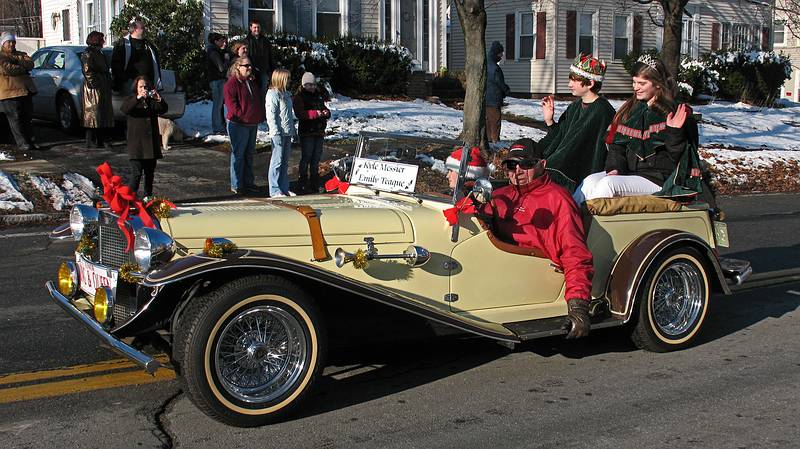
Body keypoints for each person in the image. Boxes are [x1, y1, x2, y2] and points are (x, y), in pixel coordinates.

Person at [478, 139, 594, 339]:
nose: (518, 171)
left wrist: (578, 306)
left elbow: (574, 253)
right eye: (511, 165)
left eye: (527, 164)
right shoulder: (499, 196)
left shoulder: (558, 201)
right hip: (497, 278)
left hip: (533, 283)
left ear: (542, 164)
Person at [574, 54, 704, 204]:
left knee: (607, 185)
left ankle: (593, 225)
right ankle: (569, 223)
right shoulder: (630, 110)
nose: (636, 87)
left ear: (657, 84)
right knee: (589, 182)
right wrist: (615, 168)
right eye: (634, 82)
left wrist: (675, 132)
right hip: (629, 172)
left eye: (642, 83)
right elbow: (617, 146)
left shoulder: (674, 111)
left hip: (659, 179)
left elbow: (680, 158)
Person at [538, 54, 616, 192]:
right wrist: (549, 120)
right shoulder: (575, 106)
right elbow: (561, 137)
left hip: (583, 171)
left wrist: (551, 163)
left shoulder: (601, 111)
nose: (569, 84)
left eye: (574, 81)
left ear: (590, 83)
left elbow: (574, 144)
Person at [121, 75, 168, 199]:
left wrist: (159, 99)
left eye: (145, 86)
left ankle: (148, 196)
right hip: (136, 144)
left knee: (149, 173)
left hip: (150, 144)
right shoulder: (131, 100)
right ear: (136, 88)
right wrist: (138, 98)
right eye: (141, 86)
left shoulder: (151, 101)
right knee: (136, 173)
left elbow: (164, 109)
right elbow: (125, 109)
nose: (143, 89)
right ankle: (130, 198)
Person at [224, 57, 264, 195]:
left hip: (252, 123)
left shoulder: (251, 82)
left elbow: (256, 100)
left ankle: (248, 182)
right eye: (246, 65)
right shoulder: (231, 84)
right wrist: (244, 116)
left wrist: (258, 116)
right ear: (237, 67)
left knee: (249, 154)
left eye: (250, 65)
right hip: (238, 124)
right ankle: (237, 184)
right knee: (238, 154)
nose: (249, 68)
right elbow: (232, 106)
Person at [0, 32, 39, 151]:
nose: (11, 44)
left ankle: (31, 141)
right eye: (8, 42)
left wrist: (16, 62)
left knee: (27, 117)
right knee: (15, 118)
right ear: (3, 43)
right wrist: (22, 67)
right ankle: (22, 143)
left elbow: (30, 63)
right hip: (9, 92)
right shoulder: (1, 56)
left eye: (13, 42)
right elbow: (8, 69)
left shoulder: (21, 54)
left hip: (25, 91)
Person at [292, 72, 330, 194]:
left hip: (318, 131)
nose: (311, 87)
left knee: (316, 158)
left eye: (312, 85)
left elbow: (323, 107)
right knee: (306, 157)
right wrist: (315, 114)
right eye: (308, 85)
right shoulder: (300, 97)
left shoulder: (318, 96)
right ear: (303, 85)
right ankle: (302, 182)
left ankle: (314, 182)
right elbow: (300, 114)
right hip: (307, 131)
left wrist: (326, 112)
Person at [266, 68, 297, 197]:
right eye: (287, 78)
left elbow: (289, 114)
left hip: (287, 131)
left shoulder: (286, 94)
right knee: (276, 161)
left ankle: (284, 187)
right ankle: (274, 189)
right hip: (278, 132)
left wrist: (293, 130)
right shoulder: (273, 94)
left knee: (285, 161)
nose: (289, 81)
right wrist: (275, 132)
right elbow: (271, 115)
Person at [81, 31, 114, 149]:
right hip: (94, 89)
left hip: (102, 85)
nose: (104, 41)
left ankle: (100, 140)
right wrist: (95, 84)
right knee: (93, 115)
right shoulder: (88, 53)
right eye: (102, 39)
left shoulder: (99, 53)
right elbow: (87, 71)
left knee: (102, 114)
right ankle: (91, 141)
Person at [111, 18, 162, 93]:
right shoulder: (123, 44)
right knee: (132, 103)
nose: (145, 30)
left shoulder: (148, 45)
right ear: (135, 29)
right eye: (143, 28)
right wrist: (124, 79)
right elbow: (116, 64)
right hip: (130, 84)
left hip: (147, 83)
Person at [485, 41, 510, 144]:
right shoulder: (495, 68)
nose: (501, 56)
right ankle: (494, 140)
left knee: (487, 120)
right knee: (495, 120)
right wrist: (506, 90)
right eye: (501, 54)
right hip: (494, 98)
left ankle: (488, 138)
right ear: (496, 53)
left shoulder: (486, 64)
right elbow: (499, 83)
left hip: (486, 98)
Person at [206, 32, 229, 135]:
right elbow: (221, 68)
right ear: (215, 41)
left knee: (218, 105)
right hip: (217, 80)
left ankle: (218, 126)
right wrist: (227, 59)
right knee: (217, 105)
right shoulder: (214, 52)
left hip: (215, 80)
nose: (223, 42)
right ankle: (217, 127)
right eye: (221, 40)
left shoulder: (212, 50)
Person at [244, 19, 274, 89]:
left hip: (264, 70)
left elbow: (270, 56)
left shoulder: (265, 41)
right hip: (251, 71)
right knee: (252, 90)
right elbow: (245, 56)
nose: (257, 29)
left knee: (263, 91)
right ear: (250, 28)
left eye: (258, 27)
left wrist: (272, 69)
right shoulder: (247, 41)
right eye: (255, 27)